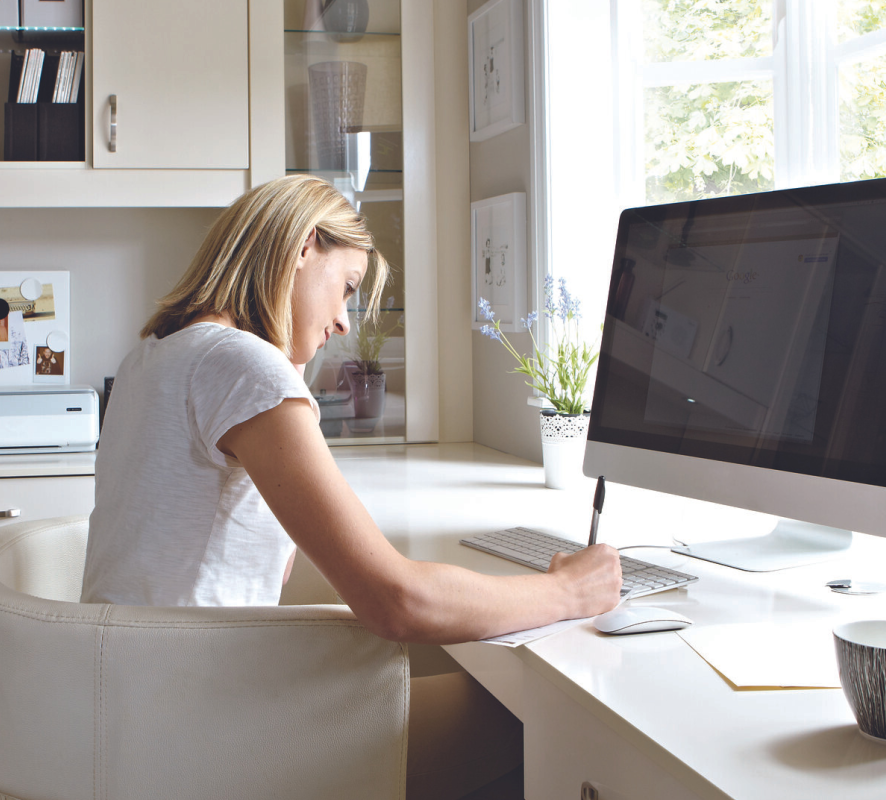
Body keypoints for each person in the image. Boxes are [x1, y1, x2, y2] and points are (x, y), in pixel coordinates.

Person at [83, 175, 622, 799]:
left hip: (123, 715)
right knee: (533, 717)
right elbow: (397, 602)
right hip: (196, 739)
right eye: (346, 287)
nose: (342, 320)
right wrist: (566, 590)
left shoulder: (153, 356)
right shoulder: (240, 366)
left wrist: (287, 357)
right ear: (301, 247)